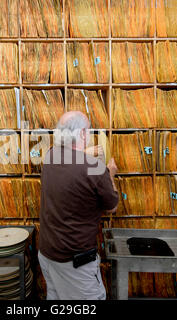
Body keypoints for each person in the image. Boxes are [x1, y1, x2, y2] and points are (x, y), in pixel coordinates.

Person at [38, 111, 119, 300]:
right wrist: (110, 174)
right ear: (83, 134)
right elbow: (112, 206)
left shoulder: (50, 157)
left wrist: (85, 154)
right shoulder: (95, 168)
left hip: (47, 254)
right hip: (74, 261)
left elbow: (72, 162)